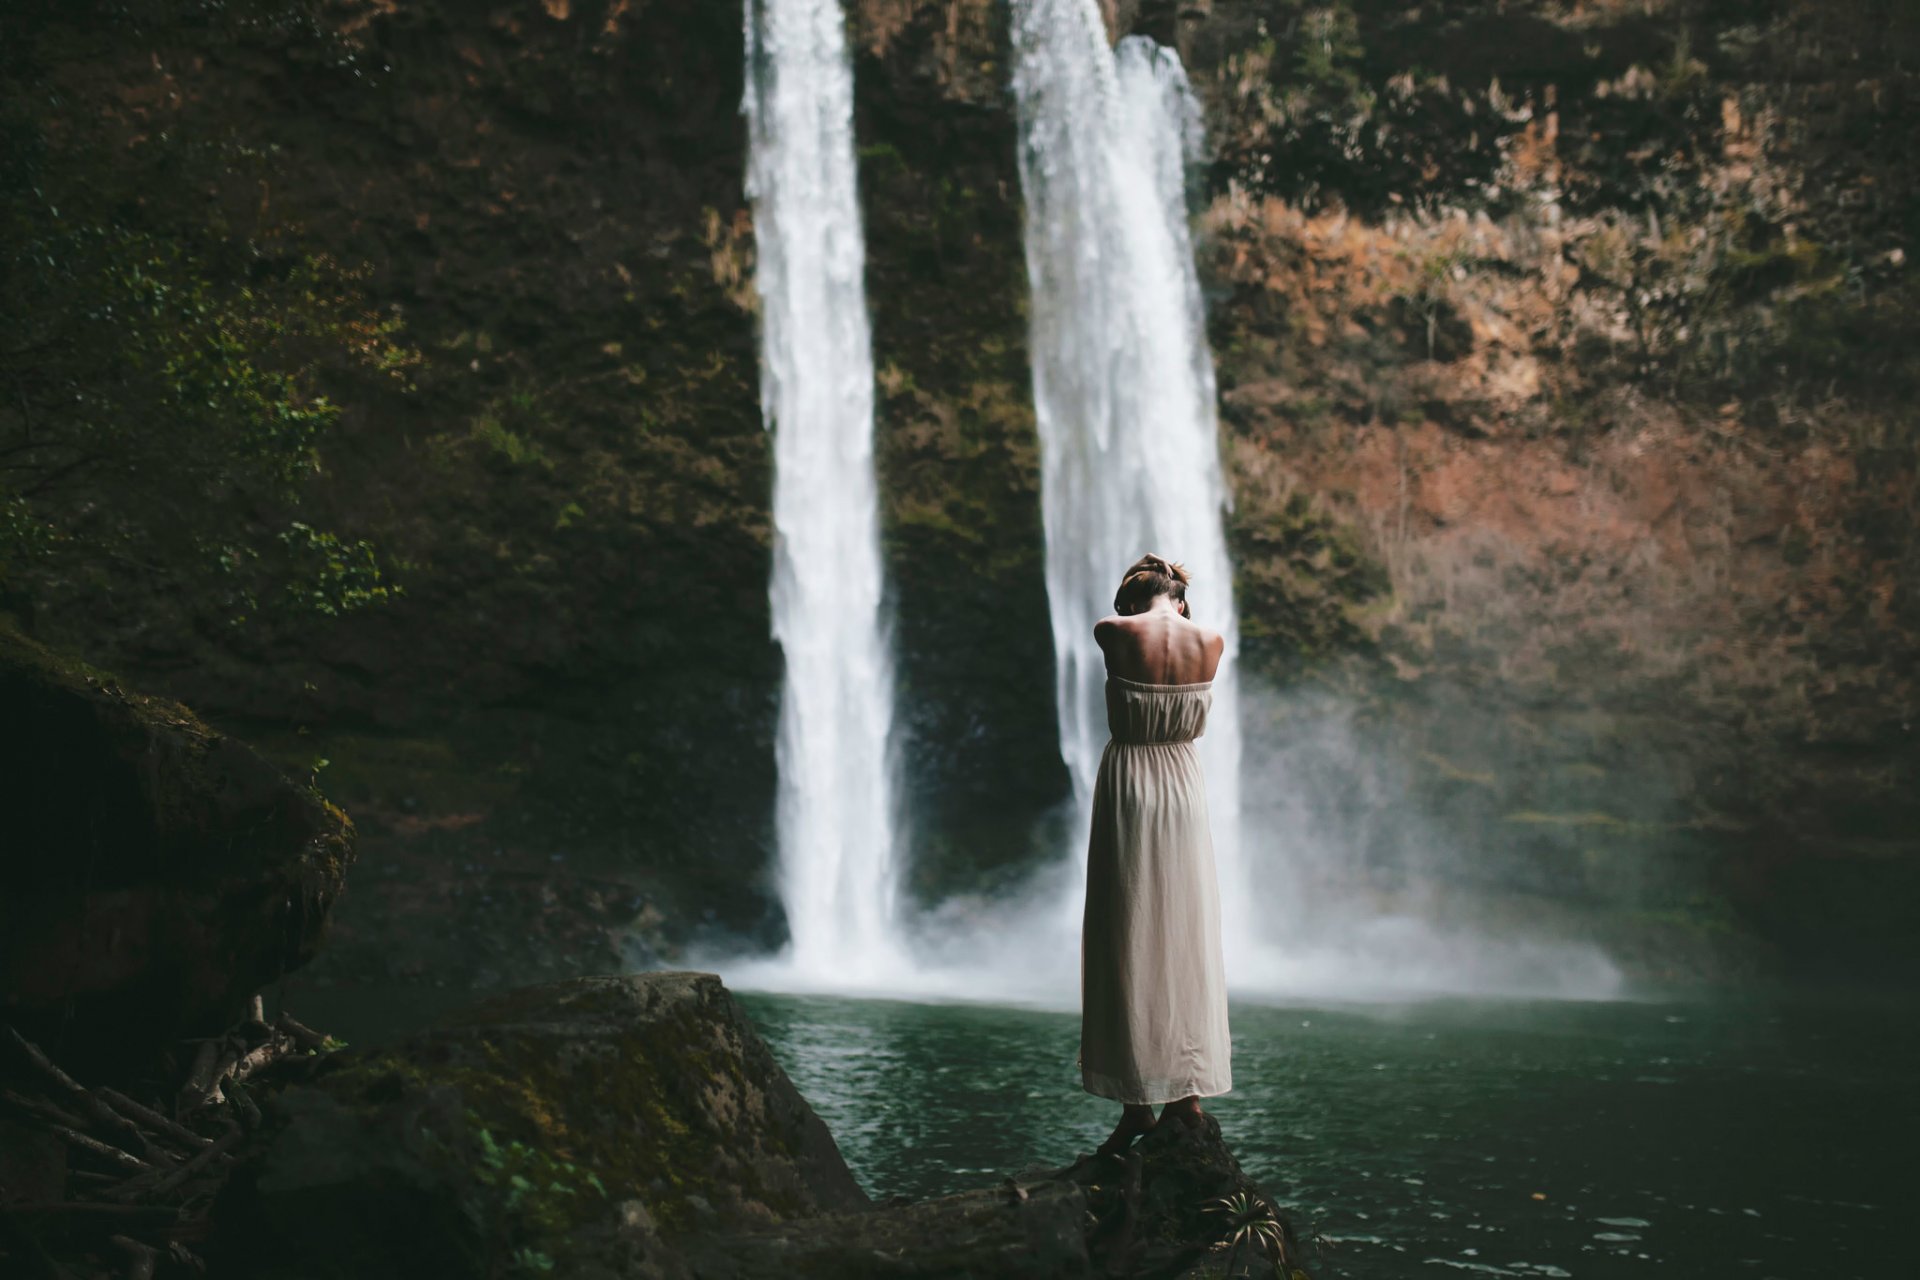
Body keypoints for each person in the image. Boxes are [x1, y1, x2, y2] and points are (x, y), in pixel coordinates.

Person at [1078, 552, 1232, 1159]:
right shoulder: (1212, 640)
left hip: (1131, 786)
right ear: (1182, 601)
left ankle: (1137, 1106)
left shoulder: (1112, 634)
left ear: (1132, 601)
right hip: (1185, 791)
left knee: (1127, 934)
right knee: (1186, 937)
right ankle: (1185, 1101)